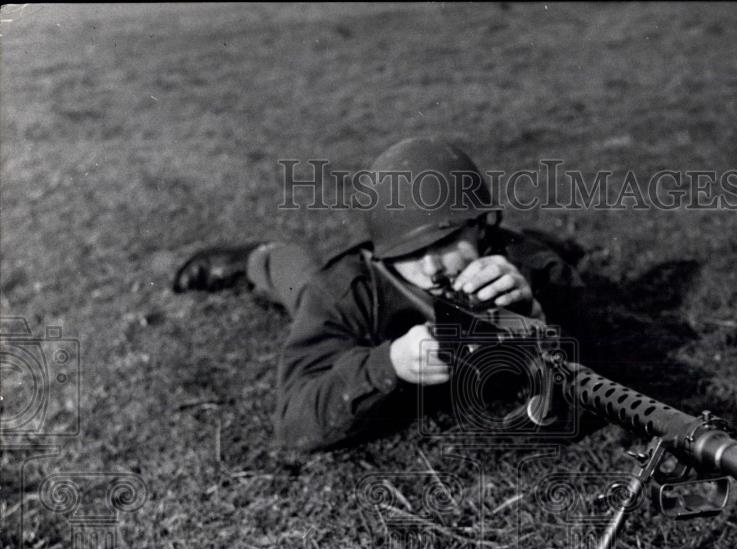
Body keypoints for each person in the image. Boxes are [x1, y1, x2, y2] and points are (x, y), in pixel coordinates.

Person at [173, 137, 585, 450]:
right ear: (385, 256)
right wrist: (388, 365)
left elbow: (609, 347)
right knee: (298, 278)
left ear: (480, 225)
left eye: (445, 242)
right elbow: (293, 420)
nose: (432, 268)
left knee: (543, 250)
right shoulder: (345, 293)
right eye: (410, 253)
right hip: (331, 293)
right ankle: (255, 258)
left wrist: (542, 313)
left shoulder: (517, 262)